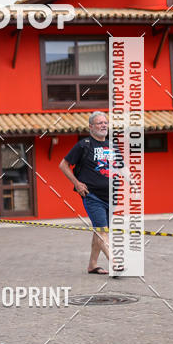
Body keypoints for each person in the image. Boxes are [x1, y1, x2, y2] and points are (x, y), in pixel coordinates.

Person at [59, 111, 119, 274]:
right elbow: (63, 165)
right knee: (102, 230)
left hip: (111, 197)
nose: (103, 125)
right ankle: (115, 262)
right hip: (92, 196)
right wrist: (77, 183)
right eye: (99, 123)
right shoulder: (83, 145)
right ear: (91, 127)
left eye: (105, 122)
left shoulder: (112, 146)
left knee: (100, 230)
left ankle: (92, 265)